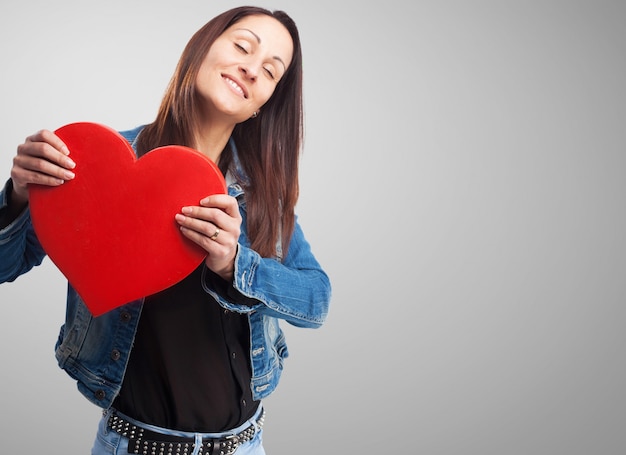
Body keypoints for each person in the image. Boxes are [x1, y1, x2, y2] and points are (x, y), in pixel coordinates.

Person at [0, 5, 331, 455]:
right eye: (242, 46)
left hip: (245, 447)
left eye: (270, 71)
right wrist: (19, 195)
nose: (251, 70)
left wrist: (236, 265)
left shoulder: (259, 196)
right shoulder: (94, 165)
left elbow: (315, 299)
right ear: (201, 48)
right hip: (133, 445)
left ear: (263, 104)